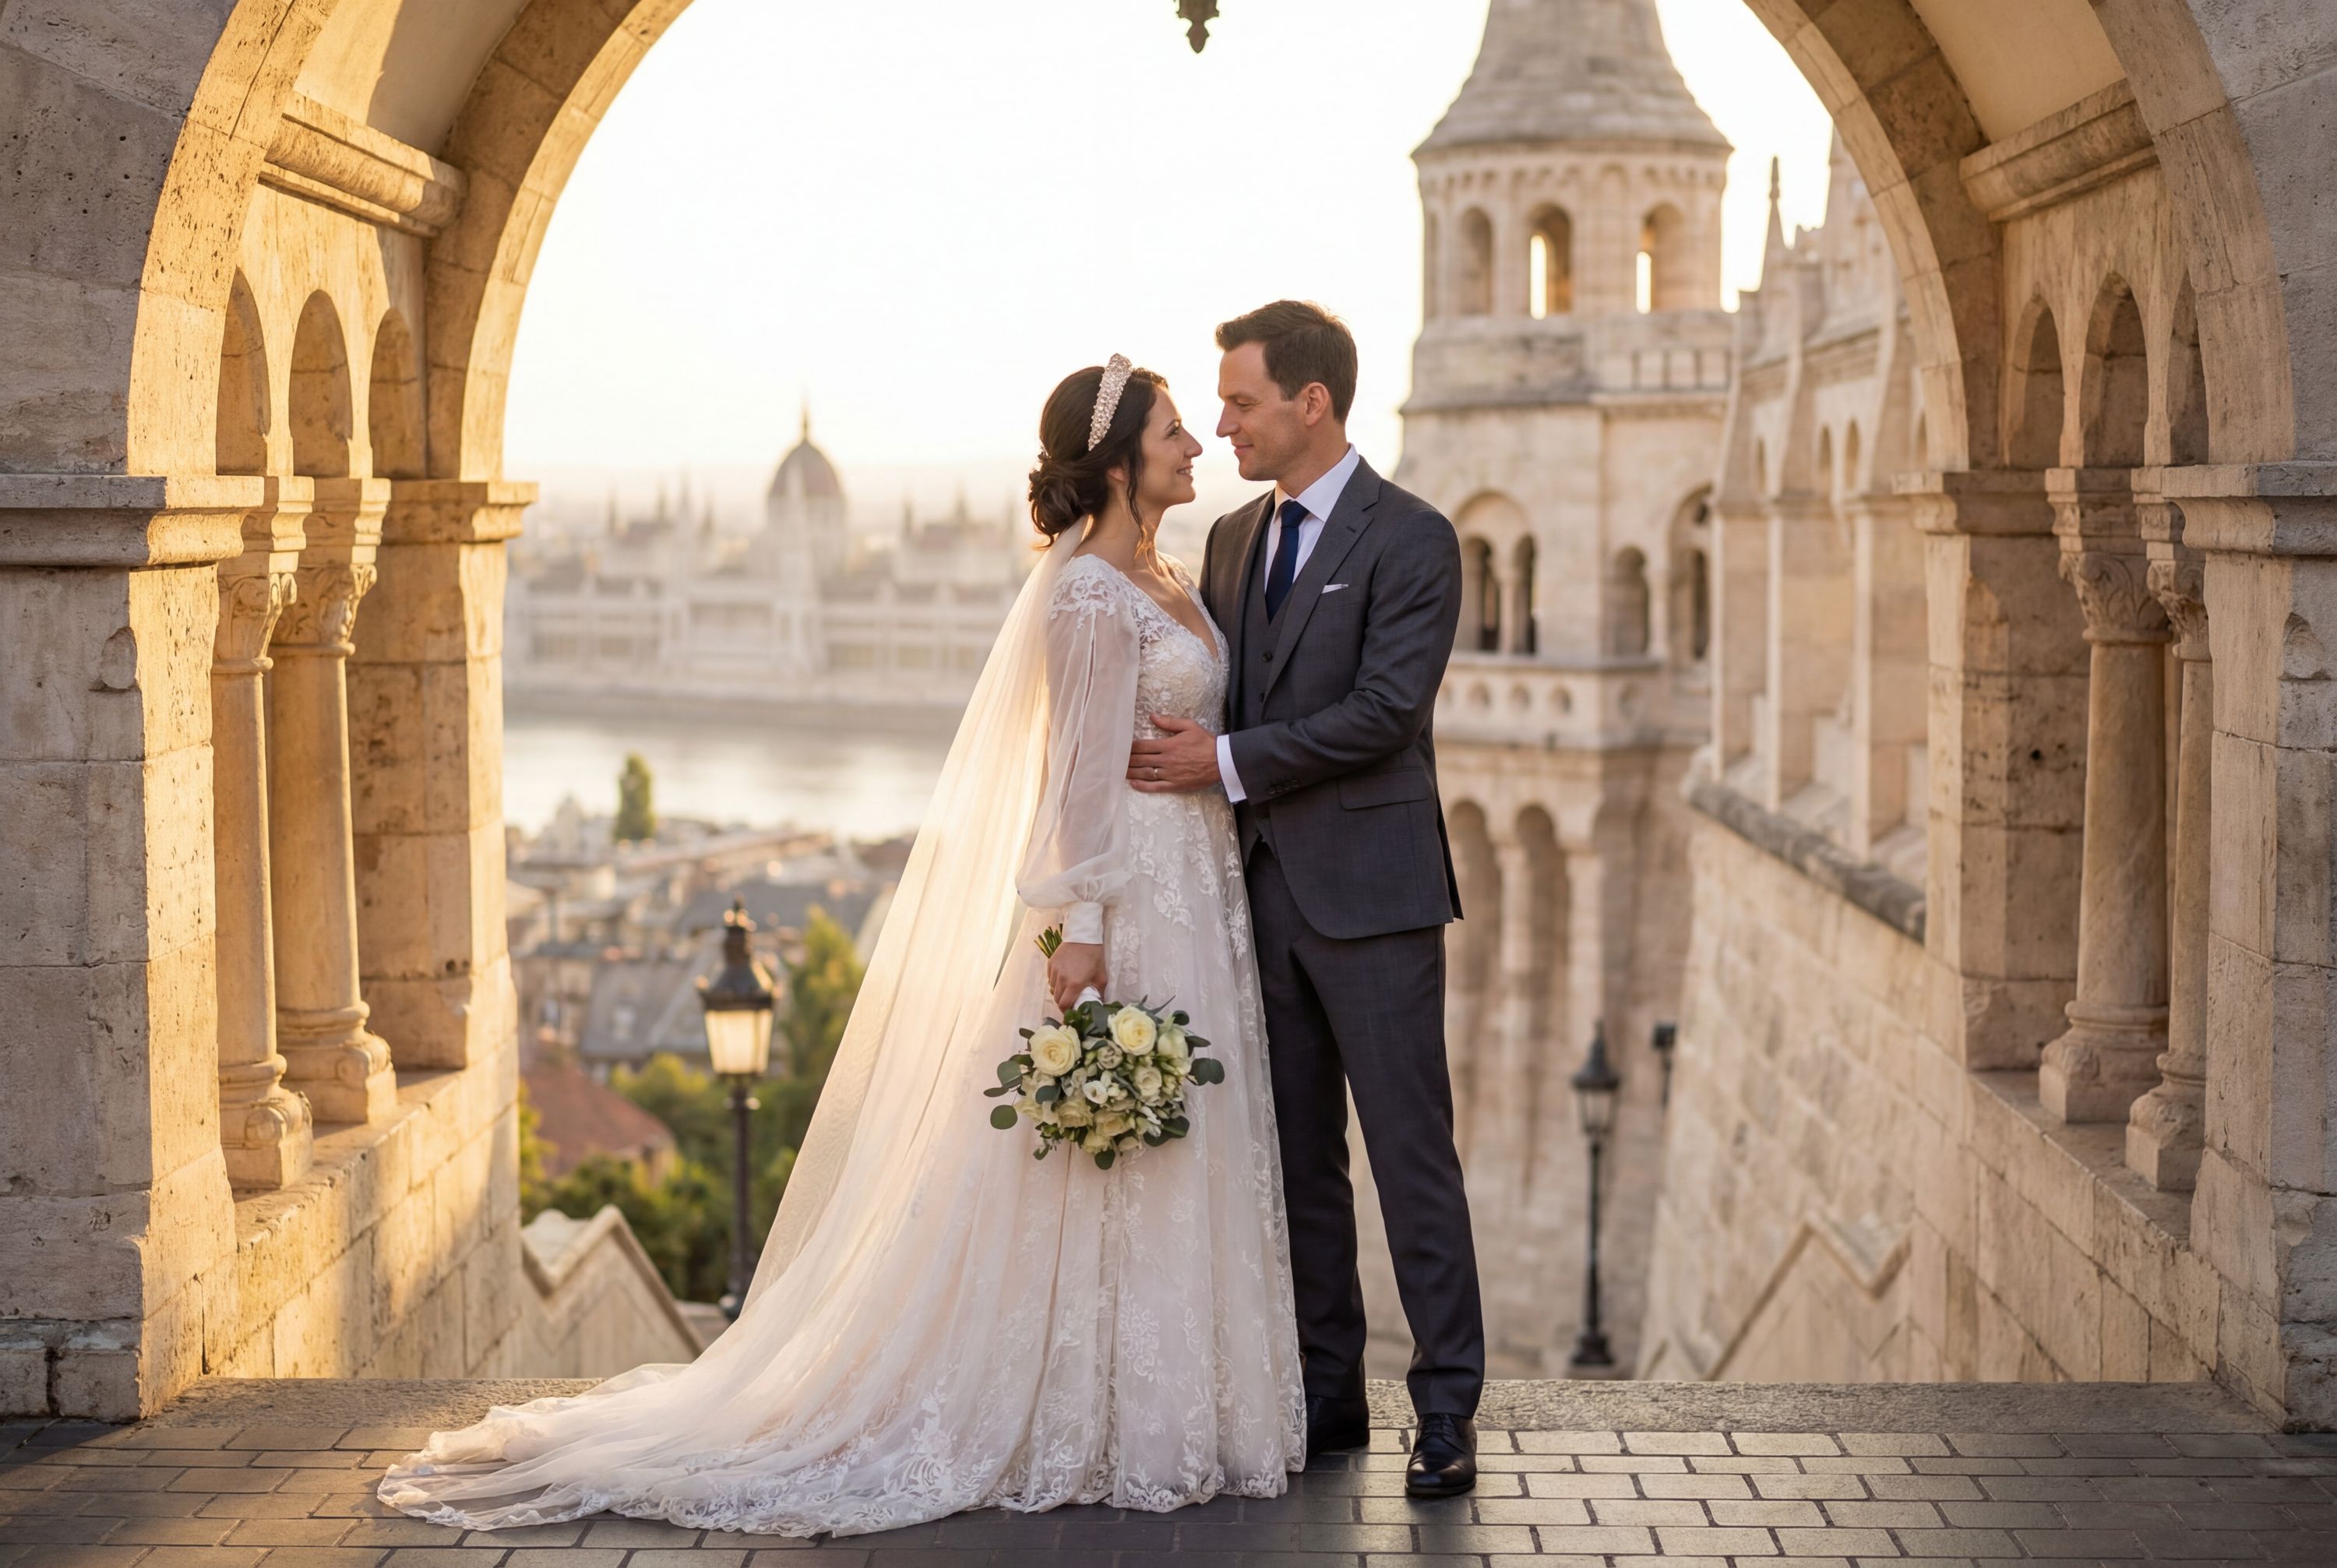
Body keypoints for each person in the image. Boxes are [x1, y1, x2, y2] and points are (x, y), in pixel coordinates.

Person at [378, 358, 1305, 1535]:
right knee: (1097, 1152)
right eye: (1175, 430)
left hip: (1197, 894)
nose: (1197, 444)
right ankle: (1074, 1406)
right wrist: (1082, 931)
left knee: (1169, 1146)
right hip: (1128, 905)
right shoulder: (1083, 596)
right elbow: (1073, 779)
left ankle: (1152, 1400)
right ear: (1120, 459)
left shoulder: (1173, 570)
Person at [1129, 300, 1484, 1498]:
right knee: (1294, 1159)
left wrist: (1221, 765)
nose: (1221, 422)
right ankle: (1330, 1393)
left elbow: (1387, 714)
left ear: (1312, 402)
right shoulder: (1229, 539)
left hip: (1374, 899)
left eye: (1240, 402)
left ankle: (1445, 1410)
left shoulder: (1415, 538)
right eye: (1217, 407)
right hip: (1254, 898)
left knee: (1409, 1155)